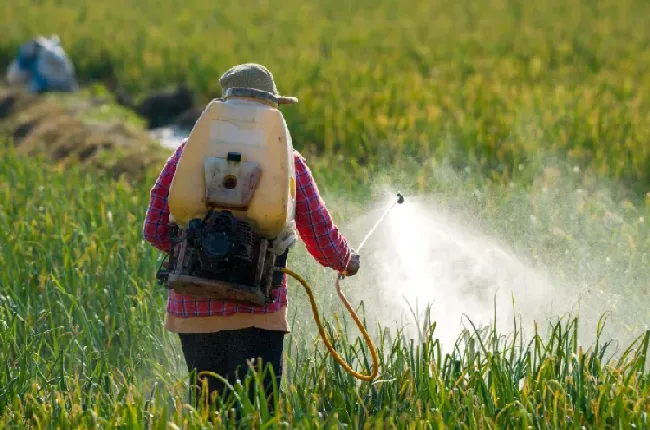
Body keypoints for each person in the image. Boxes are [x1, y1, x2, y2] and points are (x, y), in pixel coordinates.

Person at [143, 63, 360, 409]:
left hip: (192, 312)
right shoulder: (288, 162)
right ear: (271, 107)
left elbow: (154, 228)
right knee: (257, 414)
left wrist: (199, 251)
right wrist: (347, 261)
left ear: (226, 104)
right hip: (258, 310)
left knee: (210, 414)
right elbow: (320, 233)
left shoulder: (188, 152)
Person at [5, 35, 78, 93]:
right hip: (67, 84)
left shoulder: (43, 56)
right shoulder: (54, 50)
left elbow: (41, 81)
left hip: (56, 84)